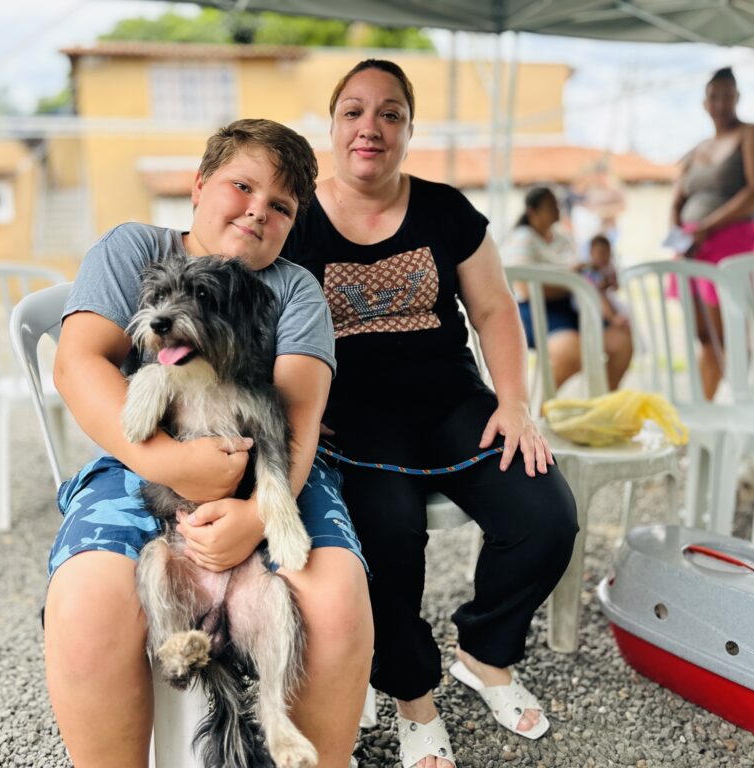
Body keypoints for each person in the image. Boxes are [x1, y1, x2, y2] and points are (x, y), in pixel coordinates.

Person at [46, 119, 373, 768]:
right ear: (198, 185)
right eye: (241, 185)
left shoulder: (293, 289)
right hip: (136, 463)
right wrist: (168, 461)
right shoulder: (135, 248)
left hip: (274, 471)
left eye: (279, 206)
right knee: (87, 601)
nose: (257, 210)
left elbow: (297, 414)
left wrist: (256, 516)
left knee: (335, 600)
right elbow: (78, 363)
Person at [281, 59, 578, 768]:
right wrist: (292, 412)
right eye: (353, 111)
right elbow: (264, 325)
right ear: (331, 126)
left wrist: (514, 403)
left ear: (410, 129)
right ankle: (412, 694)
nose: (370, 127)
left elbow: (495, 311)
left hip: (453, 403)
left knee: (546, 519)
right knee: (387, 539)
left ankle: (484, 654)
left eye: (390, 113)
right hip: (351, 419)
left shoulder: (446, 210)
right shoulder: (296, 219)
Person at [670, 66, 754, 400]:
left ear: (737, 98)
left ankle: (743, 402)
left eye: (727, 95)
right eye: (714, 96)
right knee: (705, 336)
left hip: (731, 241)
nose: (720, 103)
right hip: (691, 245)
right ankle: (706, 407)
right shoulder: (698, 149)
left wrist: (708, 226)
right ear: (706, 102)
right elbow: (678, 197)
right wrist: (678, 230)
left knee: (730, 331)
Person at [502, 186, 633, 391]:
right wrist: (570, 283)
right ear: (532, 211)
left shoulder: (562, 237)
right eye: (551, 205)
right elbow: (525, 288)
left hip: (572, 306)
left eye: (558, 204)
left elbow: (580, 274)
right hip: (536, 310)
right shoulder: (522, 238)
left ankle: (602, 404)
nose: (557, 209)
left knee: (622, 340)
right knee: (571, 353)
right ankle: (537, 409)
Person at [582, 234, 630, 329]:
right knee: (600, 296)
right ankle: (613, 319)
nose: (605, 257)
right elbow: (595, 287)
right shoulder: (588, 269)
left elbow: (616, 288)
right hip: (590, 301)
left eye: (608, 253)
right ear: (591, 253)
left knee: (617, 302)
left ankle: (619, 319)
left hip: (606, 299)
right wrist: (604, 283)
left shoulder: (609, 269)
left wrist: (613, 280)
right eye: (601, 253)